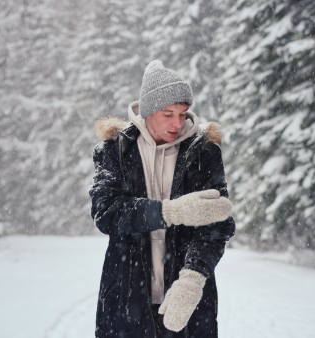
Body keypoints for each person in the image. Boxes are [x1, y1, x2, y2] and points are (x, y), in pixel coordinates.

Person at [89, 60, 235, 337]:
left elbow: (218, 225)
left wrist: (193, 278)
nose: (177, 123)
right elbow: (106, 213)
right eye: (168, 114)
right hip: (126, 298)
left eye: (182, 114)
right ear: (147, 111)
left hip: (188, 300)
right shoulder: (114, 150)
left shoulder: (203, 153)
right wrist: (169, 212)